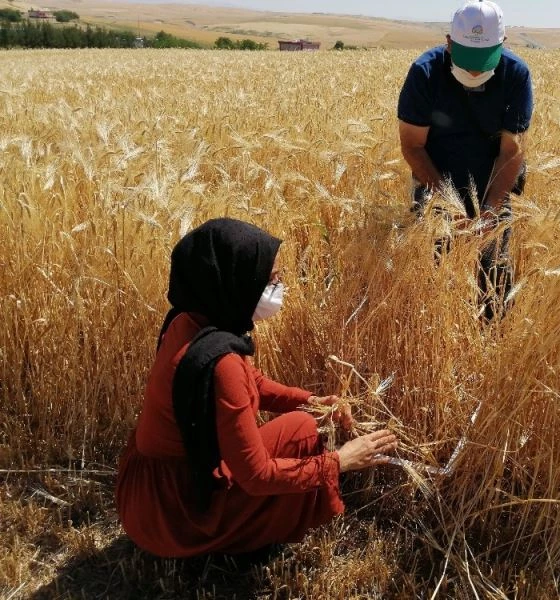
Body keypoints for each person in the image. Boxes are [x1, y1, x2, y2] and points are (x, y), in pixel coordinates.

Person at [115, 217, 398, 558]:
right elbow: (257, 476)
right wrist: (339, 462)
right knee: (302, 432)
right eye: (270, 278)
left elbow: (253, 383)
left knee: (301, 421)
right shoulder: (223, 363)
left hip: (144, 499)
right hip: (178, 517)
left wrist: (311, 400)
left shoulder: (188, 322)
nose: (278, 286)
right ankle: (238, 539)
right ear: (236, 280)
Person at [397, 0, 534, 320]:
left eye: (482, 60)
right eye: (467, 59)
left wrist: (489, 209)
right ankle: (435, 335)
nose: (473, 70)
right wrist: (448, 201)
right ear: (448, 43)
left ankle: (492, 340)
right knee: (433, 272)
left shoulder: (516, 75)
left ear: (502, 44)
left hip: (492, 179)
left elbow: (511, 152)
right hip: (435, 178)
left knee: (494, 278)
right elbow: (412, 147)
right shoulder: (425, 72)